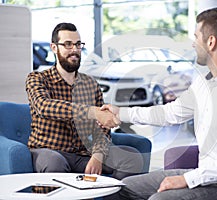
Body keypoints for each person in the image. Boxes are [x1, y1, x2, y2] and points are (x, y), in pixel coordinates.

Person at [102, 7, 217, 200]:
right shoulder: (205, 82)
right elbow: (170, 113)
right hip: (204, 175)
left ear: (211, 42)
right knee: (119, 189)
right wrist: (120, 113)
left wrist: (187, 179)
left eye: (196, 37)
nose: (193, 44)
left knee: (160, 199)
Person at [25, 22, 143, 180]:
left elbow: (102, 129)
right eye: (67, 44)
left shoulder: (90, 84)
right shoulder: (37, 78)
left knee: (132, 158)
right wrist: (92, 112)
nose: (74, 50)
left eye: (78, 44)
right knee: (55, 162)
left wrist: (98, 155)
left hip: (83, 154)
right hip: (48, 151)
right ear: (54, 47)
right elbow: (44, 106)